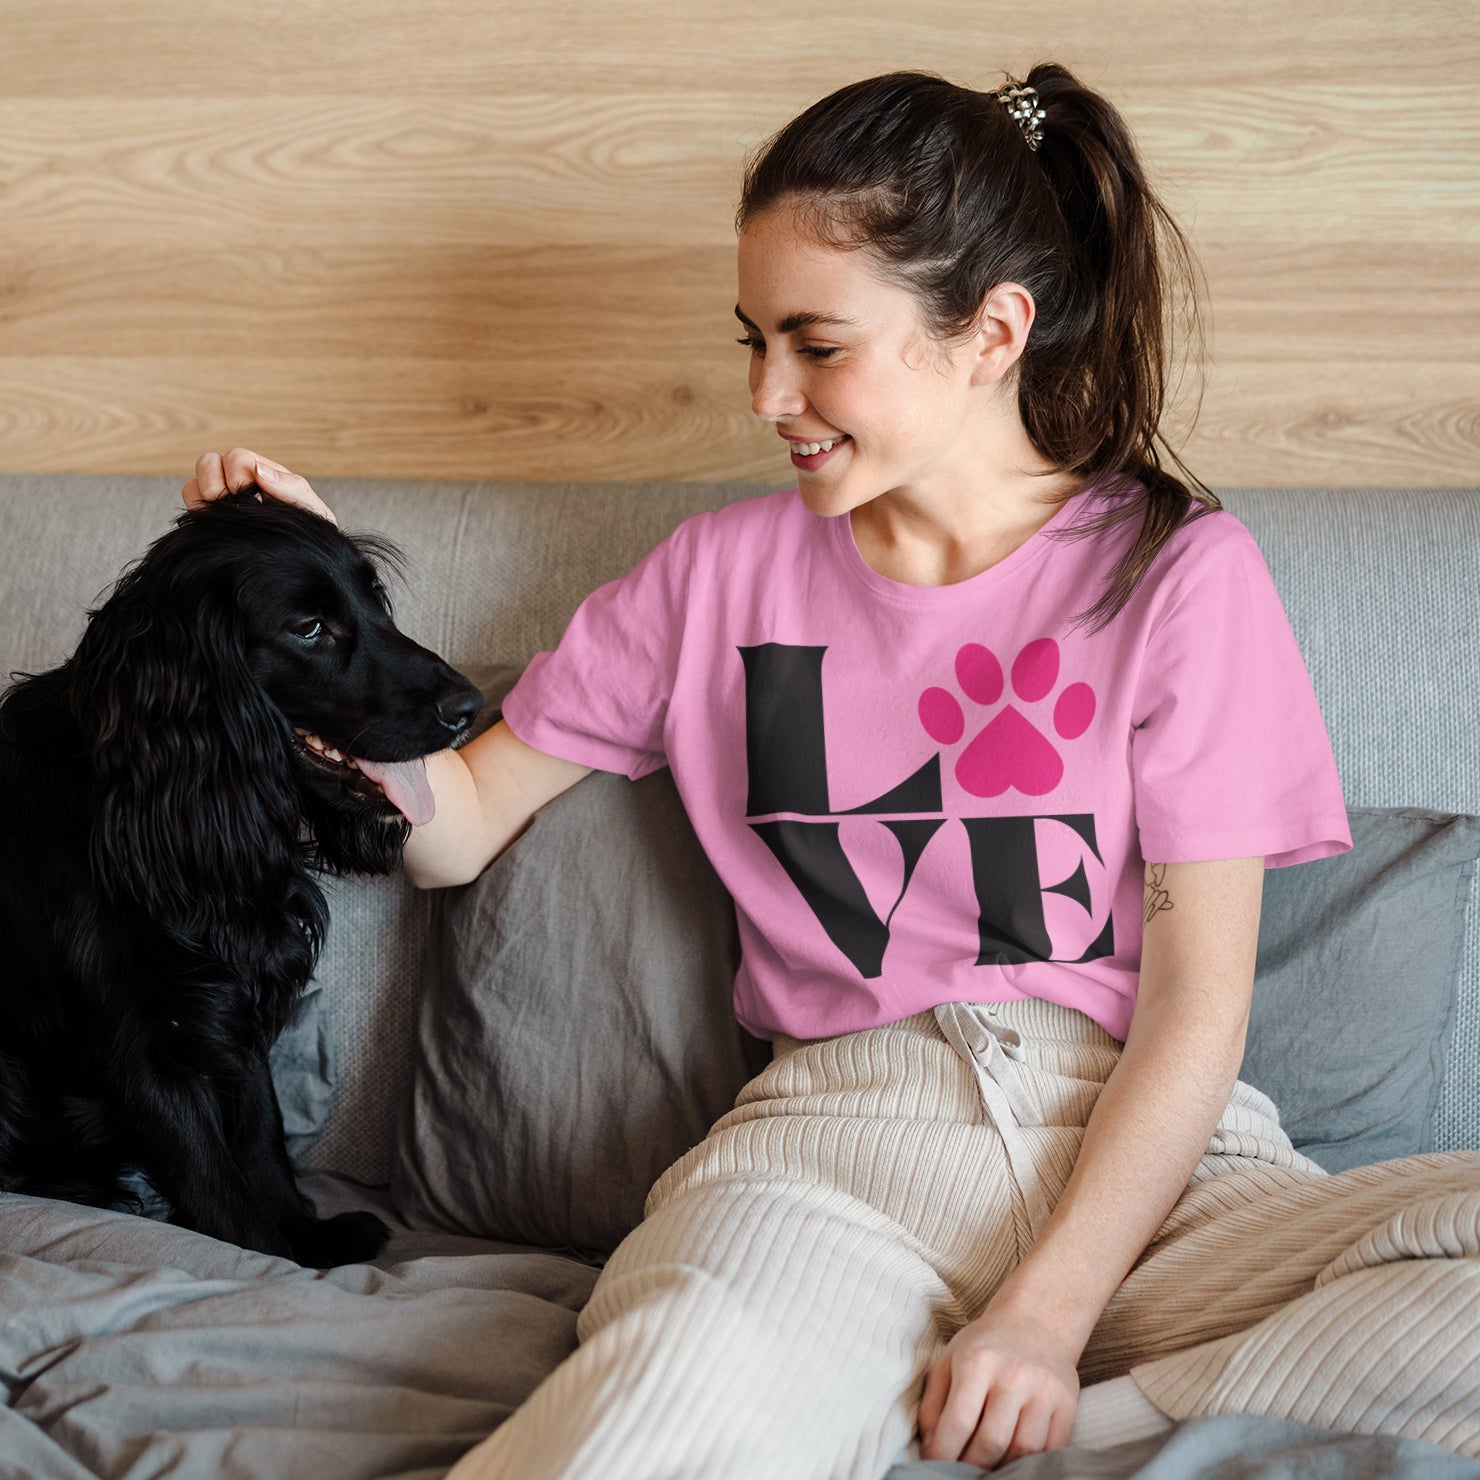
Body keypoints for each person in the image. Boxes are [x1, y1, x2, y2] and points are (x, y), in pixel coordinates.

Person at [186, 65, 1480, 1479]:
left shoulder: (1177, 574)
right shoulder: (714, 579)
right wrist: (312, 626)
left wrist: (1044, 1326)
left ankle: (1065, 1432)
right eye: (753, 341)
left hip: (1150, 1172)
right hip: (836, 1152)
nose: (765, 394)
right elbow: (455, 827)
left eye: (815, 345)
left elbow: (1195, 1009)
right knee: (647, 1422)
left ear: (992, 332)